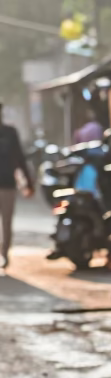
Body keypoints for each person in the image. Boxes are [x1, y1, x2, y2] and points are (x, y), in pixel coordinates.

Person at [0, 102, 35, 273]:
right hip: (7, 185)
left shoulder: (10, 133)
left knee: (7, 223)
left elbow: (20, 158)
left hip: (7, 184)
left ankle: (4, 254)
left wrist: (28, 182)